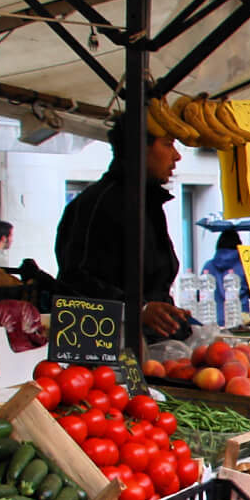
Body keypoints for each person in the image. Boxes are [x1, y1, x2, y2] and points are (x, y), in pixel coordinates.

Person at [55, 123, 189, 341]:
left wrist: (170, 316)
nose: (177, 156)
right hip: (108, 348)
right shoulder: (97, 203)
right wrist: (139, 310)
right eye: (167, 145)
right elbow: (74, 279)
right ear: (139, 149)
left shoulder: (148, 202)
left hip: (154, 348)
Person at [201, 230, 247, 326]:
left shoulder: (208, 266)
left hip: (212, 321)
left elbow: (199, 294)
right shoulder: (245, 266)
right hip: (239, 321)